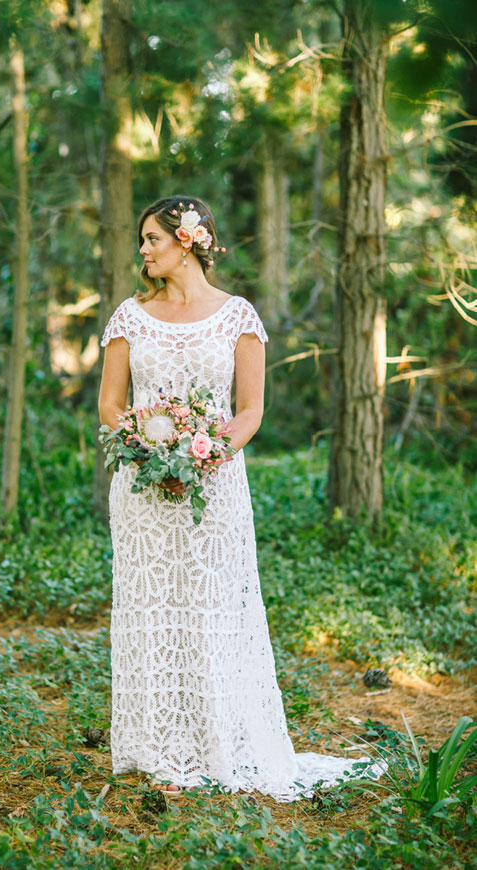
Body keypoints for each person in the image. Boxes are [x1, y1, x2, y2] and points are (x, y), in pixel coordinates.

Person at [97, 195, 383, 799]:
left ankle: (223, 743)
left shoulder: (237, 317)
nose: (143, 250)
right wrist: (148, 449)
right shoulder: (129, 315)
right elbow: (109, 402)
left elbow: (250, 411)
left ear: (188, 241)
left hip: (215, 487)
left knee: (212, 608)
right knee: (153, 613)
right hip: (143, 494)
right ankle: (157, 748)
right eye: (142, 240)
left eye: (153, 239)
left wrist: (201, 456)